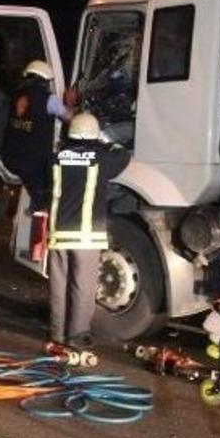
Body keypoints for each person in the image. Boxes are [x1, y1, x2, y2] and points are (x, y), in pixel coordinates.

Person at [46, 111, 131, 353]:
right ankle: (77, 336)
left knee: (59, 286)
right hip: (86, 236)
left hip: (59, 234)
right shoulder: (101, 158)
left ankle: (57, 335)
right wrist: (105, 142)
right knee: (82, 286)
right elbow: (123, 155)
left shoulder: (55, 158)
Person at [1, 60, 69, 213]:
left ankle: (36, 204)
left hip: (11, 157)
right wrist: (71, 104)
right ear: (44, 80)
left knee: (34, 185)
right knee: (48, 190)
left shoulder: (15, 95)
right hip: (35, 161)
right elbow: (69, 118)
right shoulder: (48, 99)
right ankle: (41, 207)